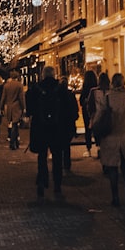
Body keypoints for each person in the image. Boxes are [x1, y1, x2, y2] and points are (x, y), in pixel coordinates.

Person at [24, 66, 79, 201]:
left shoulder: (35, 89)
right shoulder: (62, 89)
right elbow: (71, 111)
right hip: (57, 128)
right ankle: (57, 185)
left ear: (42, 75)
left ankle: (42, 182)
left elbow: (29, 110)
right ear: (54, 75)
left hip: (41, 128)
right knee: (57, 157)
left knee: (42, 156)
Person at [95, 73, 125, 208]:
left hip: (110, 138)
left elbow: (99, 118)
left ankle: (115, 197)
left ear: (112, 83)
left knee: (112, 170)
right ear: (123, 83)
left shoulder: (107, 99)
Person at [0, 69, 26, 150]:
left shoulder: (6, 85)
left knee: (12, 123)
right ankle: (12, 142)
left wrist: (1, 107)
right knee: (15, 124)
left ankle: (16, 142)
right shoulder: (19, 85)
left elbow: (3, 97)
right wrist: (24, 107)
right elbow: (21, 98)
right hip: (17, 107)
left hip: (9, 106)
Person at [78, 70, 99, 158]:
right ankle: (99, 148)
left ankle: (88, 149)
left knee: (88, 130)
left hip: (87, 111)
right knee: (97, 129)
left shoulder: (85, 88)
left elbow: (81, 100)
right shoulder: (97, 88)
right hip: (97, 111)